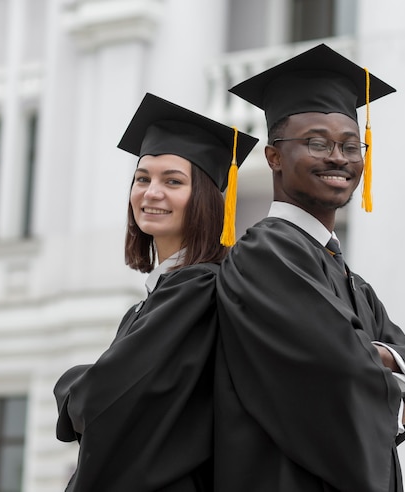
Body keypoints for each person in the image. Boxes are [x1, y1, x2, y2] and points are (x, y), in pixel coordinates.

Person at [214, 44, 405, 492]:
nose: (339, 157)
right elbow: (341, 372)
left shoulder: (349, 279)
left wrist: (381, 359)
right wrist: (390, 362)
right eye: (317, 143)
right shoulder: (264, 255)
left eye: (349, 145)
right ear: (274, 157)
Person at [53, 93, 258, 492]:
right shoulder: (152, 302)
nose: (151, 192)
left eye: (173, 181)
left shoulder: (198, 288)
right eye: (142, 178)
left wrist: (70, 383)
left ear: (205, 198)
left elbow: (102, 398)